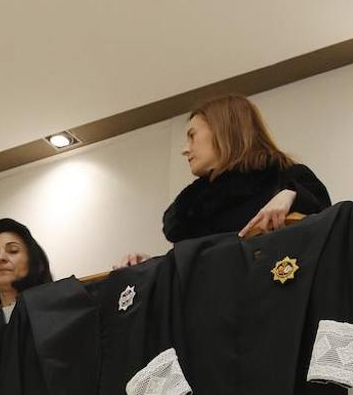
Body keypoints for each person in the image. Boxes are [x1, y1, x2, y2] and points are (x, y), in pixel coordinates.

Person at [114, 94, 331, 267]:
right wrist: (150, 267)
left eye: (192, 136)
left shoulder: (285, 178)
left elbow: (328, 228)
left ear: (223, 131)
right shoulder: (192, 212)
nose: (185, 149)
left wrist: (291, 195)